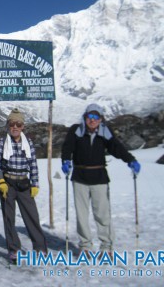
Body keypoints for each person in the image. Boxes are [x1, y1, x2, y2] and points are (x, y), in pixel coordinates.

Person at [61, 103, 141, 257]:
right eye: (90, 116)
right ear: (85, 117)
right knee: (82, 215)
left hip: (99, 177)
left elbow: (116, 147)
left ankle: (106, 247)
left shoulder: (105, 132)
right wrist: (65, 160)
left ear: (100, 119)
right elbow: (67, 147)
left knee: (102, 214)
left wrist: (130, 160)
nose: (92, 120)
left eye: (96, 117)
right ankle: (85, 246)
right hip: (79, 177)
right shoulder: (76, 130)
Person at [0, 108, 47, 264]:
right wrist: (1, 181)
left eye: (18, 124)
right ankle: (14, 249)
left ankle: (40, 248)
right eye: (12, 123)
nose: (15, 127)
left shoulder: (28, 142)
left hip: (24, 183)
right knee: (9, 218)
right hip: (8, 184)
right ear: (8, 125)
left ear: (23, 126)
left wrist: (35, 183)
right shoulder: (2, 143)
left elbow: (33, 165)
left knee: (32, 217)